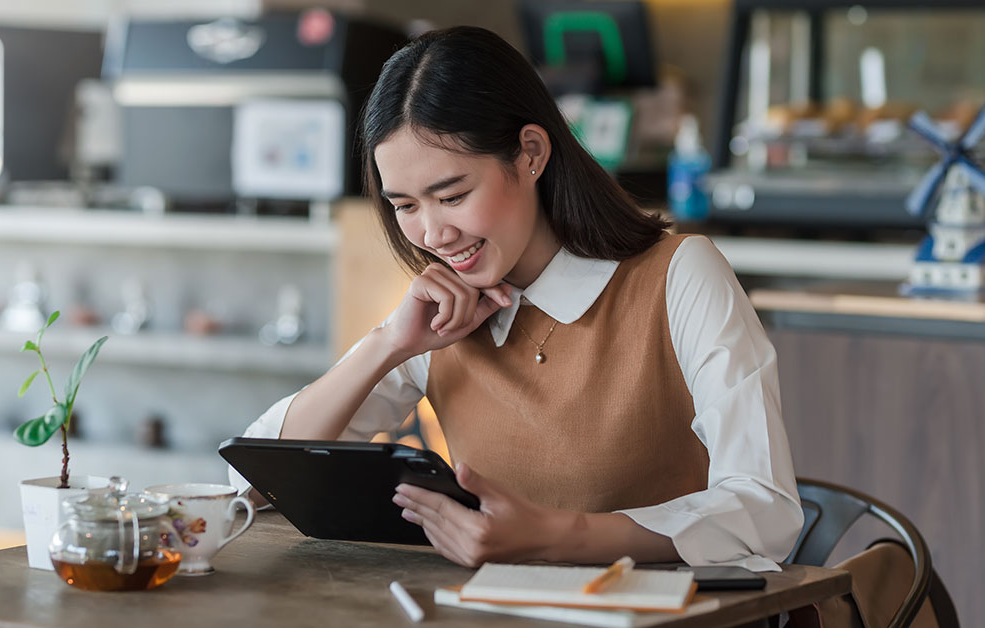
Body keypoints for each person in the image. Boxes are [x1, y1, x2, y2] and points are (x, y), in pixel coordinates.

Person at [227, 25, 802, 571]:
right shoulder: (441, 316)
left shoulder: (677, 275)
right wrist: (387, 345)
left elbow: (764, 508)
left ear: (530, 153)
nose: (432, 234)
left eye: (451, 195)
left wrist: (555, 537)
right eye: (405, 206)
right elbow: (251, 482)